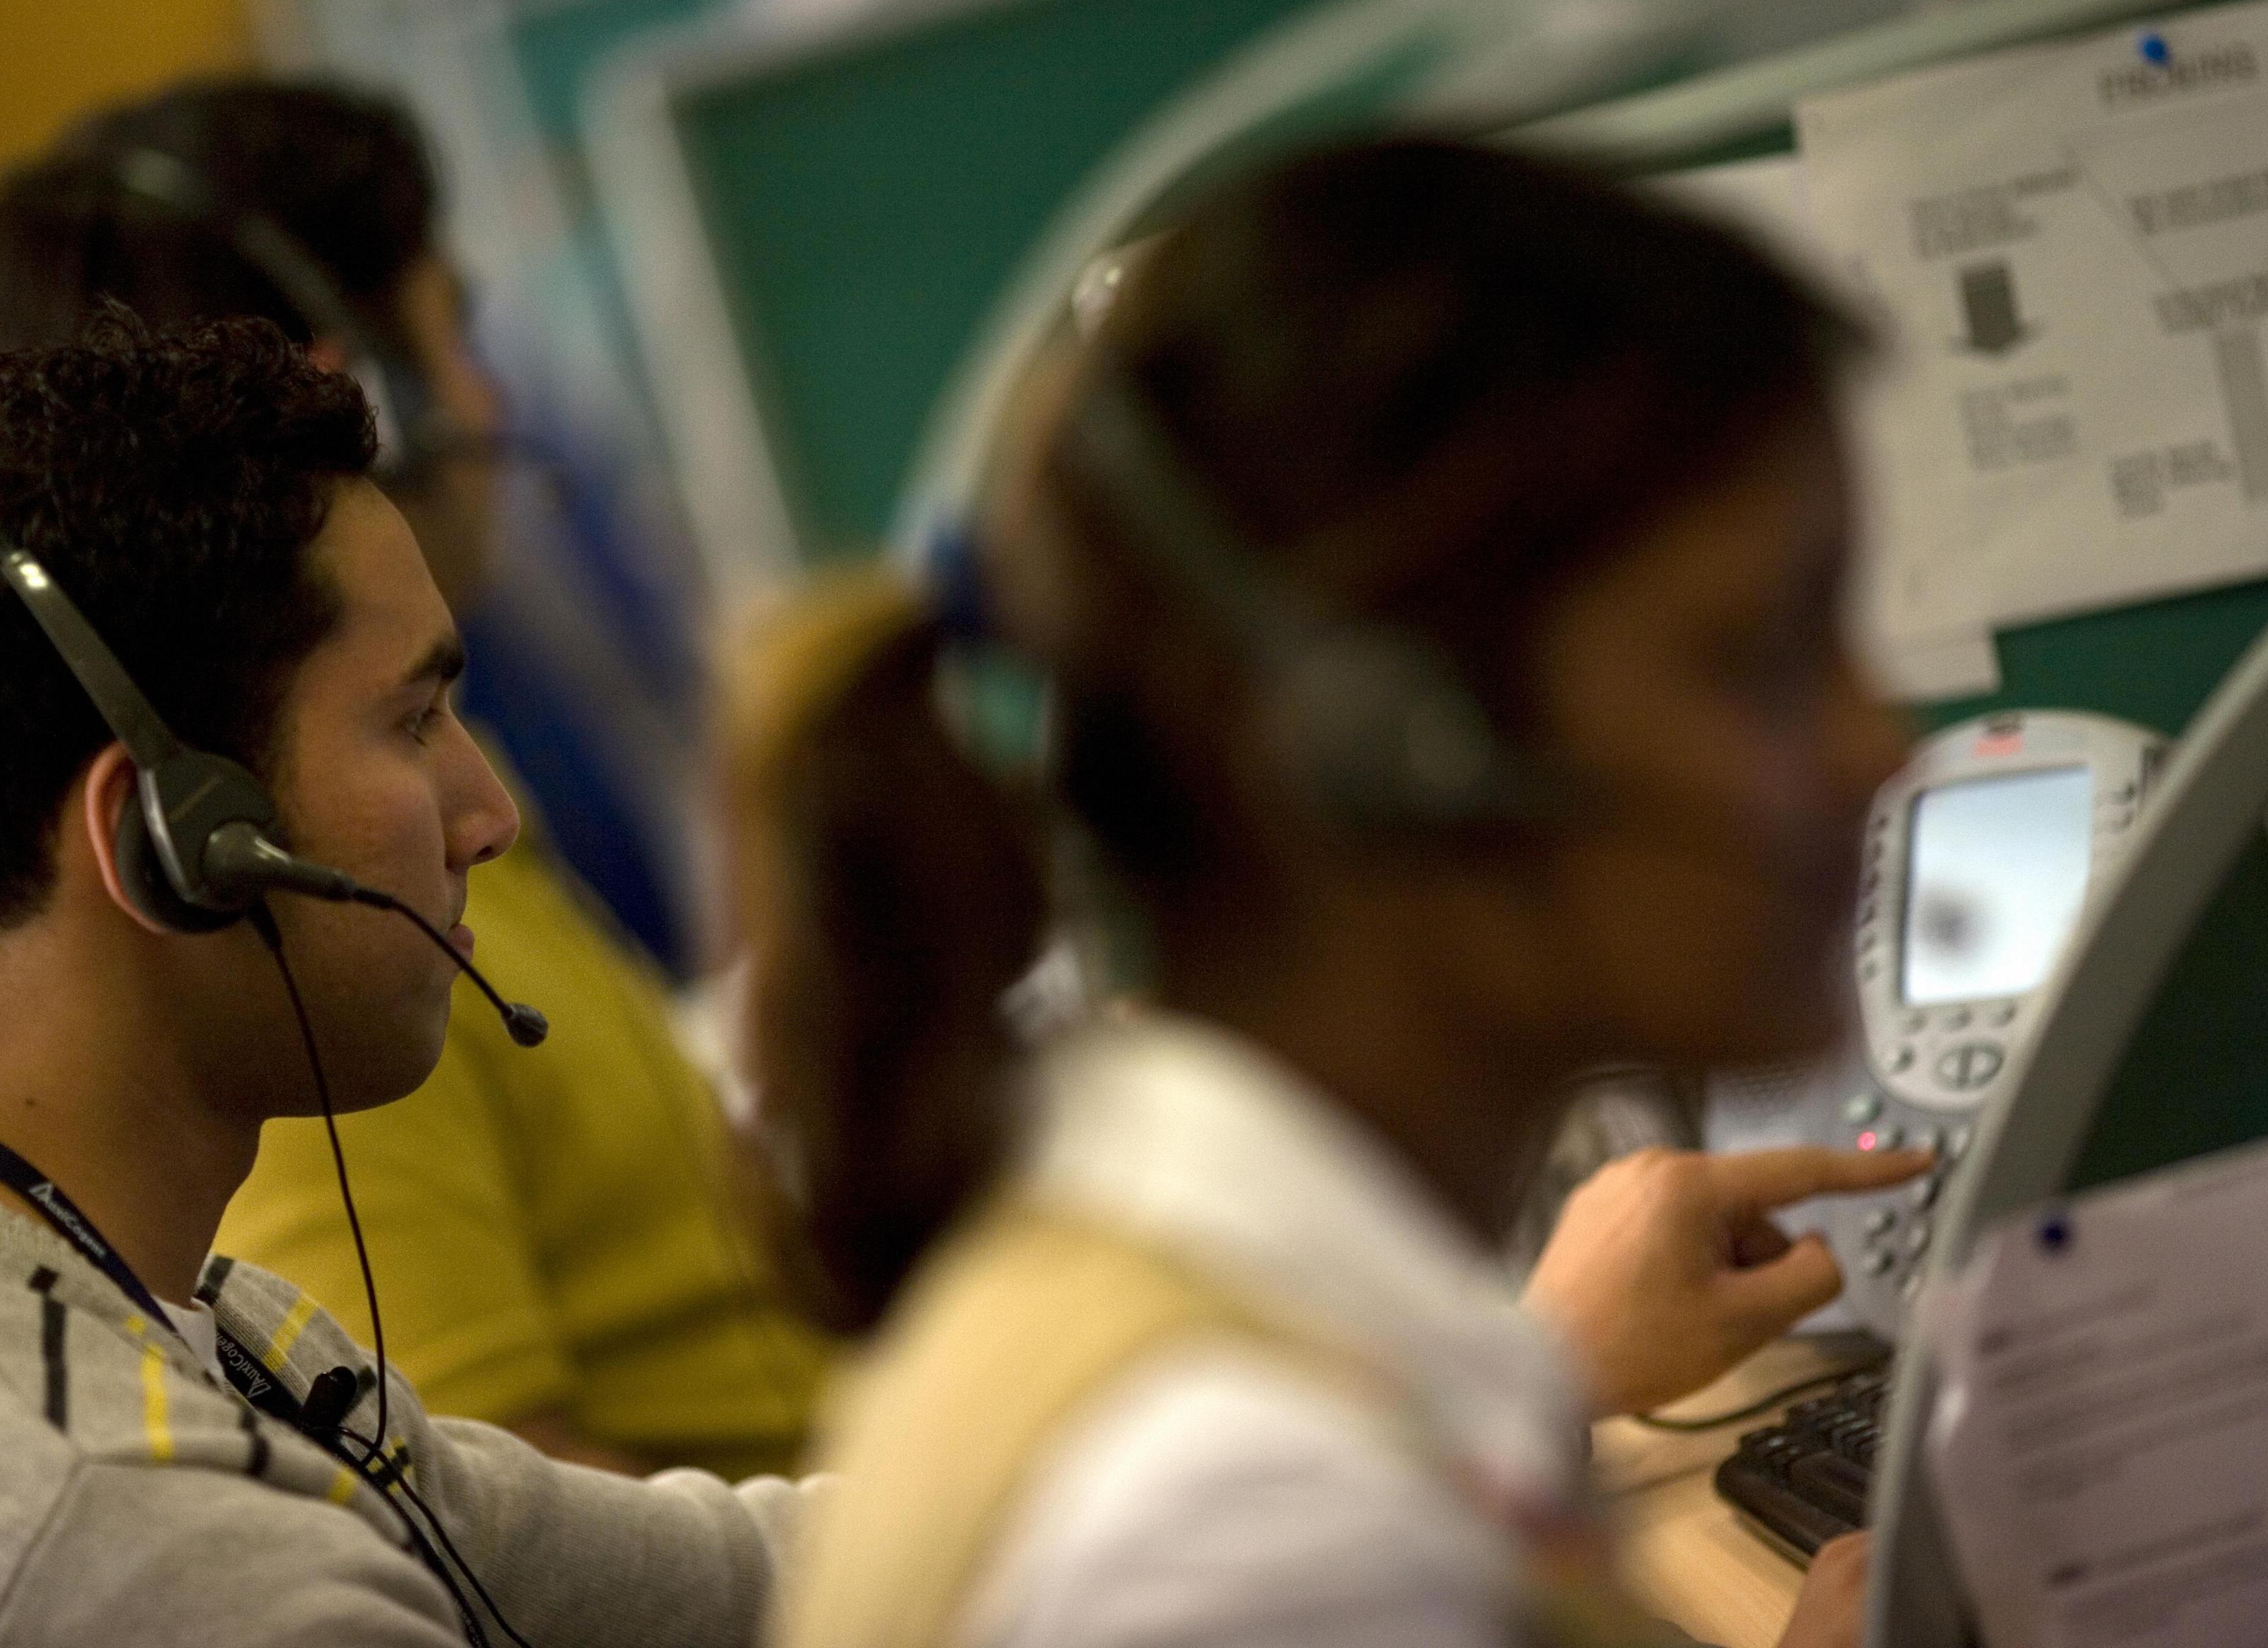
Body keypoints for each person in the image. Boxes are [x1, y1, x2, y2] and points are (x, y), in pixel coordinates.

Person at [727, 138, 1931, 1648]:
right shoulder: (1250, 1515)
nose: (1879, 745)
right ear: (1391, 754)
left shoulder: (1179, 1277)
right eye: (1758, 654)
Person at [0, 76, 830, 1478]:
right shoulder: (314, 976)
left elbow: (519, 1534)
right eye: (459, 331)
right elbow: (507, 1561)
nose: (484, 812)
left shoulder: (239, 1312)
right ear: (189, 842)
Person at [0, 317, 803, 1645]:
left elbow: (709, 1570)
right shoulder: (139, 1541)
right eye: (414, 720)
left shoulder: (32, 1302)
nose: (489, 813)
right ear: (175, 842)